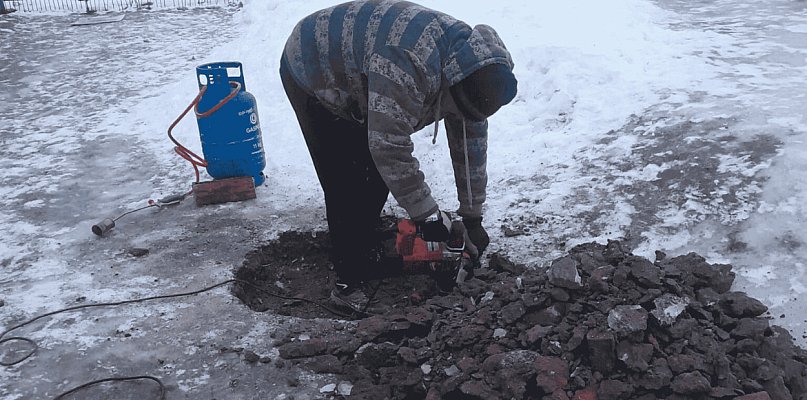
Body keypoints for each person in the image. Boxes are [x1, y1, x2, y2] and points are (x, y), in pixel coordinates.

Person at [279, 0, 517, 311]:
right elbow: (388, 147)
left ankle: (361, 235)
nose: (450, 116)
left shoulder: (473, 69)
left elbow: (469, 147)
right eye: (450, 109)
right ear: (449, 85)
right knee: (347, 182)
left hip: (365, 72)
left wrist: (472, 217)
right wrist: (427, 216)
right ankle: (347, 282)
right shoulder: (407, 63)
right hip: (313, 66)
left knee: (373, 176)